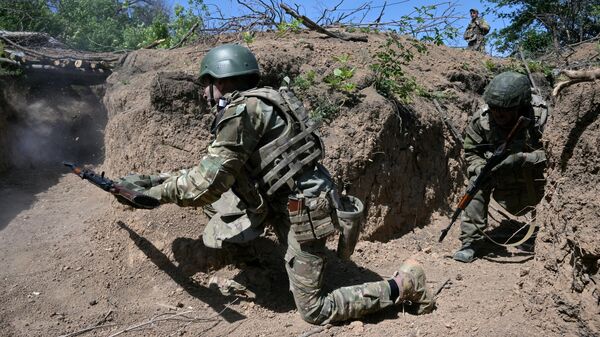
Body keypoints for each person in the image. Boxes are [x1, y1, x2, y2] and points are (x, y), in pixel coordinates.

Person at [116, 44, 435, 324]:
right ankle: (251, 257)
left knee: (316, 311)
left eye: (208, 82)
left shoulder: (241, 112)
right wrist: (157, 180)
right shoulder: (263, 100)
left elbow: (206, 184)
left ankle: (404, 285)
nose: (204, 92)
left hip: (302, 211)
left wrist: (153, 194)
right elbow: (212, 171)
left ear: (223, 80)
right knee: (220, 205)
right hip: (279, 199)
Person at [453, 71, 549, 263]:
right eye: (494, 108)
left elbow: (558, 157)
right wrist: (481, 168)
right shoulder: (481, 121)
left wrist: (524, 158)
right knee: (475, 184)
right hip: (502, 179)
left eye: (505, 110)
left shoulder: (541, 118)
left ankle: (549, 235)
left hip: (537, 178)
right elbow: (471, 153)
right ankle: (471, 242)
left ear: (521, 107)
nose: (498, 114)